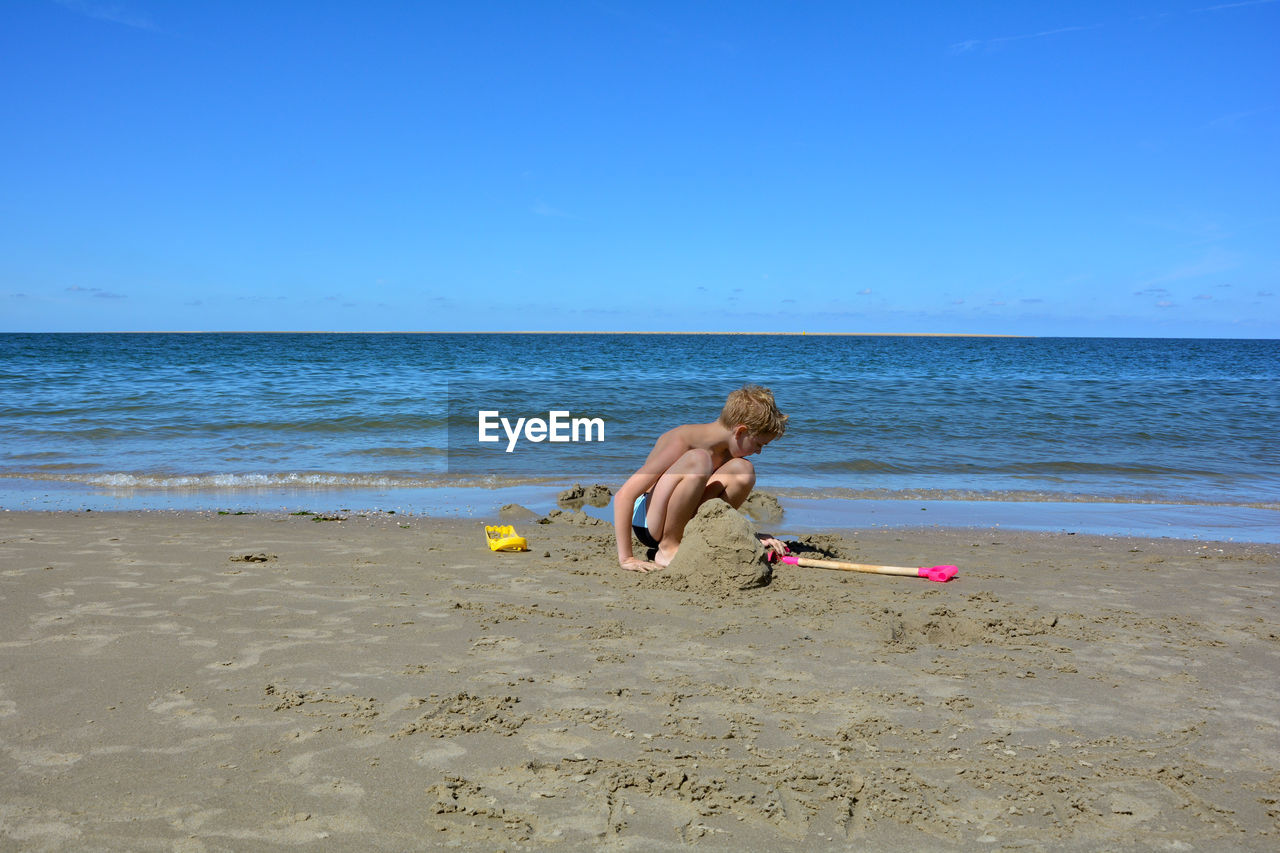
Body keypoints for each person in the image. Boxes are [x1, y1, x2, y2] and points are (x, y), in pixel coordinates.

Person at [613, 385, 789, 573]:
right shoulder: (683, 440)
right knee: (699, 459)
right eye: (758, 444)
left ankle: (701, 535)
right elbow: (624, 495)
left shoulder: (729, 450)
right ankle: (668, 547)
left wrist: (749, 535)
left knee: (743, 470)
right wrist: (627, 558)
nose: (759, 451)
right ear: (740, 432)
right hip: (649, 521)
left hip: (682, 517)